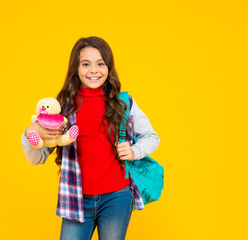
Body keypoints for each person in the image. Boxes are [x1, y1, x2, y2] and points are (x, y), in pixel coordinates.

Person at [21, 36, 160, 240]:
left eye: (100, 64)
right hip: (76, 198)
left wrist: (133, 151)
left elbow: (152, 137)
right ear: (76, 69)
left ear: (108, 67)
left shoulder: (123, 102)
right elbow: (38, 158)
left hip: (117, 197)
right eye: (86, 64)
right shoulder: (63, 107)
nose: (93, 70)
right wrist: (28, 136)